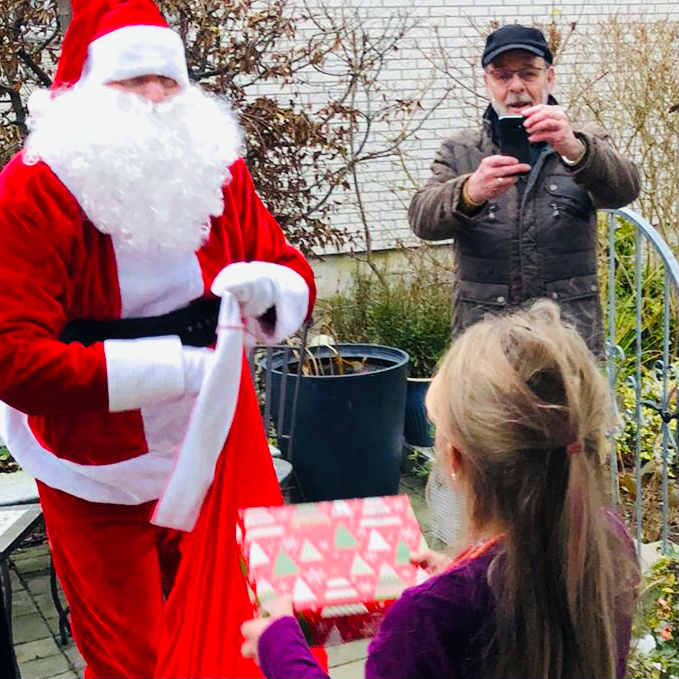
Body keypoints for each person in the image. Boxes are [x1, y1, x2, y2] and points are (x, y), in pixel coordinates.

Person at [0, 1, 317, 677]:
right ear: (85, 90)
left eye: (167, 79)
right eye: (130, 79)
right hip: (92, 466)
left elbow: (290, 272)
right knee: (133, 659)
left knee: (256, 626)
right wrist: (171, 366)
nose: (153, 96)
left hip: (217, 445)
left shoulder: (215, 170)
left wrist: (270, 294)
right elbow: (13, 358)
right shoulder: (32, 190)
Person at [241, 300, 640, 679]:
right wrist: (461, 572)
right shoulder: (608, 540)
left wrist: (281, 650)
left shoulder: (427, 617)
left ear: (455, 458)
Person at [408, 24, 640, 357]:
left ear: (549, 77)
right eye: (502, 76)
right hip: (485, 342)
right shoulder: (461, 151)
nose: (516, 87)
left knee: (569, 412)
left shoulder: (585, 140)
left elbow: (624, 189)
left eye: (529, 73)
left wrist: (575, 149)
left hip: (569, 339)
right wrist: (469, 192)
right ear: (486, 82)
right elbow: (422, 220)